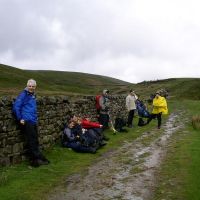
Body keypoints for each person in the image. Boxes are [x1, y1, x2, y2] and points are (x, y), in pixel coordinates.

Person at [12, 79, 50, 167]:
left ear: (35, 87)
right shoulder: (23, 94)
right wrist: (19, 118)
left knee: (35, 140)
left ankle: (38, 159)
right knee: (32, 141)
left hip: (33, 120)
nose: (31, 88)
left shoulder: (32, 95)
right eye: (30, 86)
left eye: (33, 86)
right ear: (27, 86)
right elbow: (16, 107)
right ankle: (34, 162)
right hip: (27, 121)